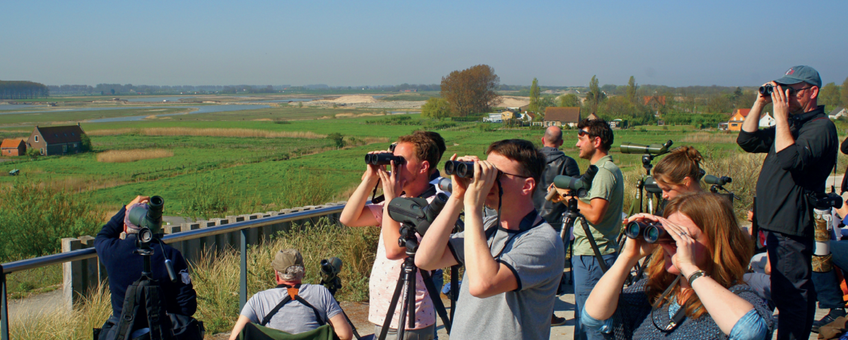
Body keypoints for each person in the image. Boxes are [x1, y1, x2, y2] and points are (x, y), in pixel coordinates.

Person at [415, 139, 565, 340]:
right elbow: (425, 259)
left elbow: (482, 285)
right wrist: (458, 196)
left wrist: (473, 207)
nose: (487, 181)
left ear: (527, 185)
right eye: (487, 171)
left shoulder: (544, 241)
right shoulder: (488, 227)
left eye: (497, 175)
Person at [582, 192, 774, 339]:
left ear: (718, 242)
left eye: (683, 237)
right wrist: (628, 256)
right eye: (668, 234)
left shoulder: (739, 296)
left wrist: (689, 268)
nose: (673, 245)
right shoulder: (655, 293)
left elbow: (749, 332)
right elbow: (593, 319)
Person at [737, 65, 838, 339]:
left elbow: (790, 159)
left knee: (792, 296)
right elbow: (746, 140)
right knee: (784, 292)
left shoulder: (821, 128)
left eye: (791, 92)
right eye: (782, 91)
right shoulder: (793, 125)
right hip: (771, 223)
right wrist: (760, 101)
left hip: (791, 226)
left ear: (812, 92)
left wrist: (780, 118)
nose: (785, 97)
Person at [339, 131, 446, 339]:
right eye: (393, 160)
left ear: (423, 167)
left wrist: (390, 200)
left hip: (409, 316)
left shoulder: (433, 205)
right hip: (384, 310)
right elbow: (349, 218)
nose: (394, 167)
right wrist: (371, 177)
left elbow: (394, 250)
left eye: (401, 162)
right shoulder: (401, 199)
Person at [554, 118, 624, 340]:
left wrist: (565, 196)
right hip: (590, 253)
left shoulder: (604, 172)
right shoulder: (598, 170)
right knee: (585, 320)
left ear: (597, 140)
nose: (577, 144)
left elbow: (595, 213)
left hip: (595, 255)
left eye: (581, 137)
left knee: (591, 323)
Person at [94, 196, 197, 335]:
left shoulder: (112, 252)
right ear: (157, 225)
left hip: (123, 333)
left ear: (125, 227)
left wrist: (125, 210)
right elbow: (188, 307)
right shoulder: (170, 256)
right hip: (162, 333)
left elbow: (103, 235)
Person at [228, 249, 353, 340]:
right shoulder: (321, 293)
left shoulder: (259, 300)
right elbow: (345, 335)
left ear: (277, 274)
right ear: (303, 272)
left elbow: (235, 337)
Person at [532, 125, 580, 326]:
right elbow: (577, 195)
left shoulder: (531, 161)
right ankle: (548, 313)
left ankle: (533, 311)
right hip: (558, 221)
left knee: (533, 266)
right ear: (561, 142)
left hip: (531, 219)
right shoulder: (568, 163)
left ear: (543, 140)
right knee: (554, 269)